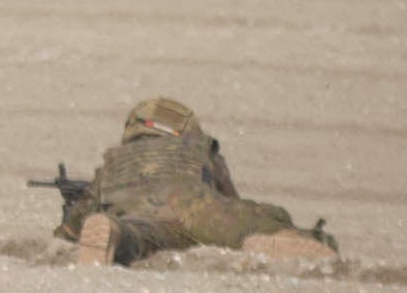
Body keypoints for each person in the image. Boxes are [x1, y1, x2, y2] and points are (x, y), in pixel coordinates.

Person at [59, 97, 331, 266]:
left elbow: (76, 223)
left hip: (134, 210)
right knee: (261, 220)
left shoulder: (115, 160)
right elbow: (229, 199)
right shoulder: (196, 145)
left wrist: (69, 230)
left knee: (137, 236)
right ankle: (269, 241)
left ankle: (117, 235)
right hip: (191, 203)